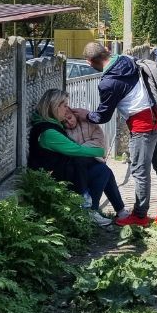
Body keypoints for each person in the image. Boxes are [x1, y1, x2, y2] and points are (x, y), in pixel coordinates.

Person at [82, 40, 157, 227]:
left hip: (143, 125)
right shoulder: (127, 59)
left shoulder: (108, 83)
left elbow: (103, 116)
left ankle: (140, 216)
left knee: (140, 172)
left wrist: (85, 115)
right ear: (106, 50)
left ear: (90, 62)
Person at [27, 89, 115, 227]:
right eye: (64, 105)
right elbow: (76, 150)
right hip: (52, 178)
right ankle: (88, 211)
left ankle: (99, 210)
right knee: (101, 170)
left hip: (61, 170)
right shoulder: (48, 132)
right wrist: (100, 151)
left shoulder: (51, 124)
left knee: (102, 169)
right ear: (55, 107)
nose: (67, 108)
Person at [61, 100, 124, 219]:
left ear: (74, 114)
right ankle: (113, 210)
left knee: (103, 170)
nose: (69, 122)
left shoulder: (88, 122)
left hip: (93, 159)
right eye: (65, 122)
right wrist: (83, 150)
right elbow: (70, 150)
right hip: (78, 164)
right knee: (105, 171)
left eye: (70, 118)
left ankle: (95, 208)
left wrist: (80, 149)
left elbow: (99, 142)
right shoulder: (63, 131)